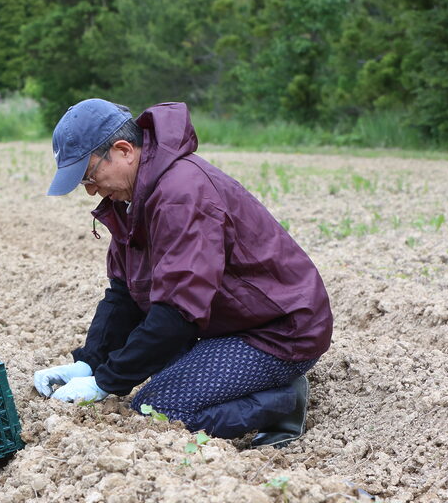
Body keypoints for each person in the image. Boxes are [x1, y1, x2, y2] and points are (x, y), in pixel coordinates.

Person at [33, 98, 333, 448]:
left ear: (124, 150)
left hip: (279, 330)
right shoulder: (133, 199)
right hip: (229, 322)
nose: (90, 190)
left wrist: (106, 382)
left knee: (157, 410)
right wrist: (88, 364)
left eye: (89, 175)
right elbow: (124, 293)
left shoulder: (181, 195)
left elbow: (178, 312)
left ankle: (282, 402)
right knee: (153, 368)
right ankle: (251, 382)